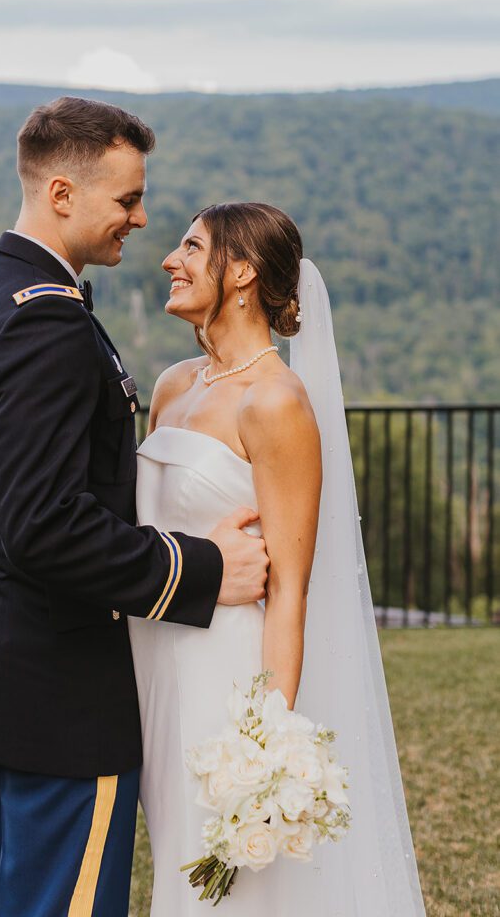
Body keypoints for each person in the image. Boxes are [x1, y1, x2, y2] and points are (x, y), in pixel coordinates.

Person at [0, 99, 270, 917]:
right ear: (63, 192)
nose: (140, 220)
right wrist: (205, 566)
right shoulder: (49, 325)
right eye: (127, 200)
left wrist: (1, 508)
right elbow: (45, 526)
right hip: (58, 688)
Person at [128, 202, 427, 914]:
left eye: (191, 247)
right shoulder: (172, 386)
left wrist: (265, 747)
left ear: (241, 271)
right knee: (171, 859)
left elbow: (291, 589)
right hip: (150, 668)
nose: (170, 260)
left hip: (222, 677)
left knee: (225, 887)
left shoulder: (276, 402)